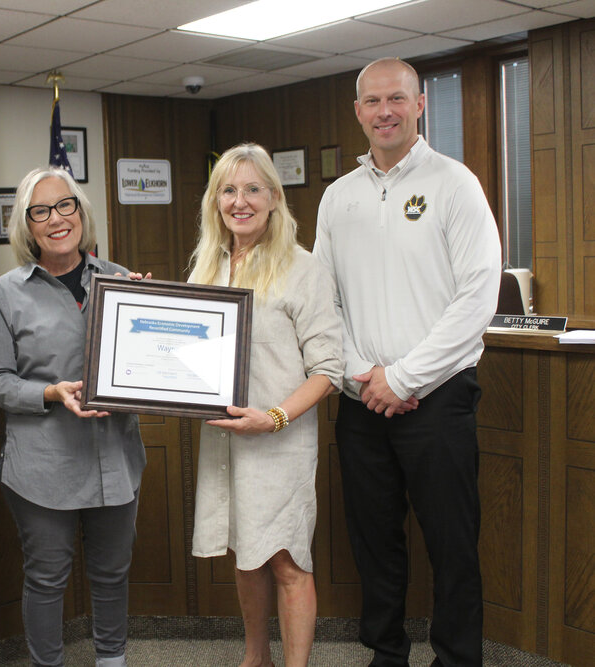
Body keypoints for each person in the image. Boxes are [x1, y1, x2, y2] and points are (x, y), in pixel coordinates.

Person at [312, 57, 502, 666]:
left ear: (421, 104)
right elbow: (324, 299)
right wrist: (364, 374)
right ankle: (386, 654)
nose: (384, 111)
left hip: (438, 401)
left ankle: (456, 659)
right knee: (375, 544)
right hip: (360, 399)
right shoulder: (338, 197)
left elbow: (478, 294)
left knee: (452, 546)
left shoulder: (454, 183)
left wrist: (404, 377)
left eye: (397, 99)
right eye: (372, 101)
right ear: (358, 112)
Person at [0, 167, 147, 667]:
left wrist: (154, 314)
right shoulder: (5, 295)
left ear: (81, 211)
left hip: (114, 458)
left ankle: (112, 661)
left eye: (65, 205)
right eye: (41, 211)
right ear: (27, 226)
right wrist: (50, 392)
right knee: (47, 578)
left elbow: (146, 366)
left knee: (113, 573)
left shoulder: (120, 280)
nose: (56, 219)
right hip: (42, 466)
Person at [188, 143, 343, 667]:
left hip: (279, 442)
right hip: (226, 439)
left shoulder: (303, 269)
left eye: (253, 188)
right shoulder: (206, 269)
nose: (240, 201)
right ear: (215, 201)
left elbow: (328, 369)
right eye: (228, 190)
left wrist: (273, 417)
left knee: (286, 561)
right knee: (245, 553)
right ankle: (256, 658)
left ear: (275, 197)